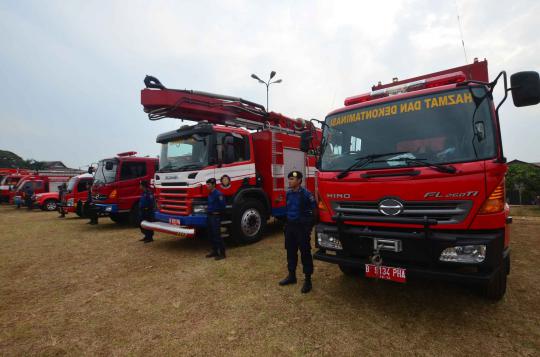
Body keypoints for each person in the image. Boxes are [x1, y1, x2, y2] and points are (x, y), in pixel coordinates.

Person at [279, 171, 316, 294]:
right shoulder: (288, 194)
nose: (289, 181)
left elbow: (314, 211)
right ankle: (292, 275)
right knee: (290, 251)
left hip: (302, 228)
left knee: (305, 252)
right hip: (290, 227)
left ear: (299, 181)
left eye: (292, 179)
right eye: (289, 179)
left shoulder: (306, 194)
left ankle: (308, 280)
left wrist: (308, 227)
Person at [205, 178, 226, 260]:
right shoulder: (210, 194)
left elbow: (222, 206)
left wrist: (218, 214)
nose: (207, 186)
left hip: (215, 217)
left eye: (209, 184)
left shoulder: (218, 194)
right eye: (207, 184)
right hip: (209, 216)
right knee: (210, 235)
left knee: (217, 235)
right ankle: (215, 251)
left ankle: (222, 253)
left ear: (213, 185)